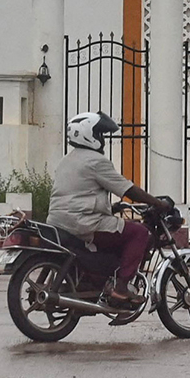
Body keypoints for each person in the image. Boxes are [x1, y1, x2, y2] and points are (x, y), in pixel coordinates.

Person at [49, 111, 170, 309]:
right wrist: (157, 203)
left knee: (118, 231)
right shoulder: (96, 161)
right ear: (89, 135)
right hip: (82, 222)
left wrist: (110, 208)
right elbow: (128, 189)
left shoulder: (67, 160)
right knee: (139, 233)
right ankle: (120, 288)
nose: (102, 139)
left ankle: (96, 280)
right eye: (100, 134)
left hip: (60, 221)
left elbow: (79, 194)